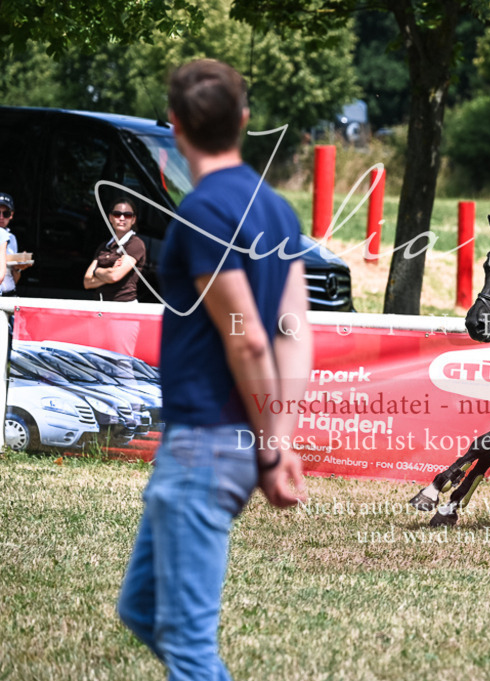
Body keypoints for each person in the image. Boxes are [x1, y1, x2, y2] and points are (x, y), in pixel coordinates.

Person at [117, 59, 313, 679]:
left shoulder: (202, 212)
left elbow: (248, 339)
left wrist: (273, 449)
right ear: (244, 120)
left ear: (174, 126)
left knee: (188, 647)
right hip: (231, 441)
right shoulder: (278, 210)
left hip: (206, 441)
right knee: (142, 609)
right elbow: (293, 334)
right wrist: (278, 439)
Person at [84, 196, 147, 301]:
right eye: (117, 214)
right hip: (99, 305)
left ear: (133, 220)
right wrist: (109, 272)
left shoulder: (135, 244)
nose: (122, 218)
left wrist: (96, 271)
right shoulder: (104, 246)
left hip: (123, 306)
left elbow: (114, 276)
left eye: (127, 215)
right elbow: (87, 282)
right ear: (110, 218)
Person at [0, 192, 30, 296]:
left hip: (10, 294)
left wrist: (18, 268)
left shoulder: (11, 238)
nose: (1, 217)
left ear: (11, 215)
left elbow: (14, 279)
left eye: (6, 214)